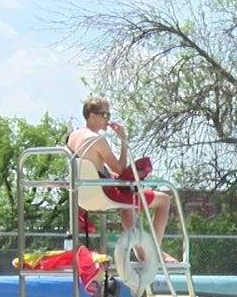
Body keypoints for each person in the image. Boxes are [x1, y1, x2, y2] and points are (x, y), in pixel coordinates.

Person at [66, 96, 172, 259]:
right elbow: (120, 168)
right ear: (92, 116)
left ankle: (144, 254)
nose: (108, 120)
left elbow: (93, 169)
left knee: (127, 207)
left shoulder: (72, 138)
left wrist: (110, 174)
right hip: (105, 195)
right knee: (164, 200)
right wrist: (123, 140)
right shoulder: (96, 139)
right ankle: (155, 251)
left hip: (82, 197)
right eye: (105, 115)